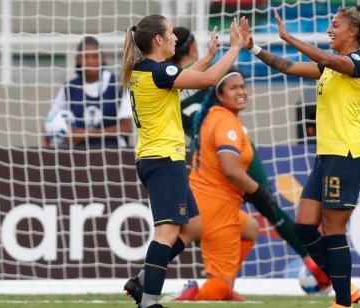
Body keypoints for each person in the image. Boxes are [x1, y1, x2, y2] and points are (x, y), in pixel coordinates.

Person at [241, 3, 360, 308]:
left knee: (333, 231)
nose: (329, 30)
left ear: (353, 31)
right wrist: (254, 48)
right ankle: (347, 289)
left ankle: (343, 302)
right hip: (326, 156)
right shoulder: (331, 67)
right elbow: (287, 67)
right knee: (304, 228)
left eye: (335, 25)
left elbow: (326, 58)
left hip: (347, 155)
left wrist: (289, 38)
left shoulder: (359, 62)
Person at [171, 26, 334, 293]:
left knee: (199, 227)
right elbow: (233, 84)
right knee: (268, 205)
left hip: (203, 158)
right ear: (191, 48)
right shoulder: (209, 74)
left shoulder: (173, 83)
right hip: (230, 144)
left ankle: (169, 274)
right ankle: (316, 267)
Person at [120, 14, 243, 308]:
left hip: (155, 157)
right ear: (159, 40)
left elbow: (186, 77)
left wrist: (211, 56)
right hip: (164, 159)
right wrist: (235, 48)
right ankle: (148, 301)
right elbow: (211, 80)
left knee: (194, 226)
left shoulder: (147, 70)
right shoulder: (158, 72)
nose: (177, 38)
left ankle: (142, 280)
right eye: (172, 33)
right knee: (166, 233)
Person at [178, 68, 261, 301]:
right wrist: (258, 191)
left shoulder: (218, 116)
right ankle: (192, 294)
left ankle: (223, 282)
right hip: (216, 208)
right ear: (220, 95)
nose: (241, 91)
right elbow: (230, 169)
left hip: (209, 201)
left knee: (251, 228)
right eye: (234, 88)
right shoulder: (225, 122)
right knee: (219, 290)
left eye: (243, 86)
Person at [43, 36, 132, 149]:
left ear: (103, 58)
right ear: (78, 59)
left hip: (114, 154)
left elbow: (126, 128)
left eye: (95, 56)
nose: (90, 61)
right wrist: (45, 148)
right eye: (86, 57)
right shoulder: (70, 88)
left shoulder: (118, 85)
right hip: (78, 156)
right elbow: (50, 122)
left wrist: (86, 134)